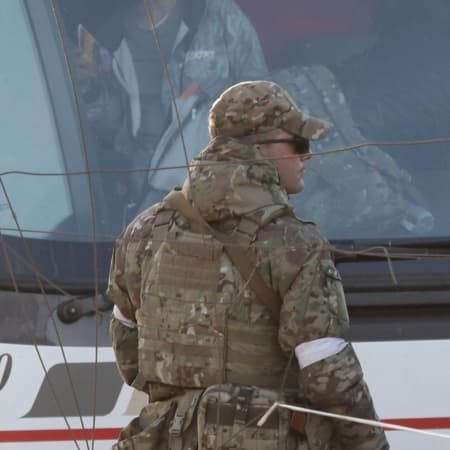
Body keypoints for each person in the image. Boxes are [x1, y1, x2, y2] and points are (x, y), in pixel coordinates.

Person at [107, 80, 389, 449]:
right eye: (299, 144)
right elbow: (329, 378)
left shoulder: (143, 231)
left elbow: (129, 350)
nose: (308, 157)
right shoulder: (292, 242)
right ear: (261, 148)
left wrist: (190, 402)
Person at [62, 0, 268, 210]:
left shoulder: (214, 13)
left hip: (215, 187)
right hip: (144, 192)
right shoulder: (108, 36)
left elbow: (259, 100)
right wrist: (90, 89)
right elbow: (112, 132)